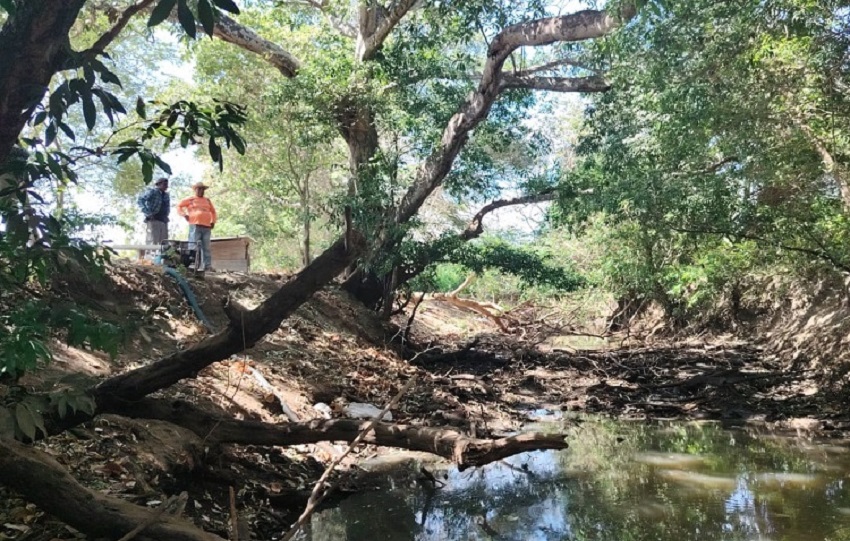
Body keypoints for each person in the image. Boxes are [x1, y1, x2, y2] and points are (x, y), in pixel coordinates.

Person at [177, 181, 217, 272]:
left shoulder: (207, 200)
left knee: (206, 247)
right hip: (195, 225)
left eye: (202, 189)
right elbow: (179, 206)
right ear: (195, 190)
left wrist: (213, 221)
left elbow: (213, 211)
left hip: (206, 226)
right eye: (199, 189)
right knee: (193, 245)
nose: (201, 191)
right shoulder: (190, 199)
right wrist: (184, 215)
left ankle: (207, 266)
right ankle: (193, 265)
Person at [136, 177, 170, 257]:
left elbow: (167, 206)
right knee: (152, 240)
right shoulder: (153, 191)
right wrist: (148, 213)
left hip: (163, 220)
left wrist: (167, 215)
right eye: (164, 184)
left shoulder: (166, 195)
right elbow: (140, 200)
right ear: (158, 184)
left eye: (167, 184)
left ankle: (162, 259)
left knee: (164, 242)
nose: (166, 186)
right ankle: (149, 258)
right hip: (153, 218)